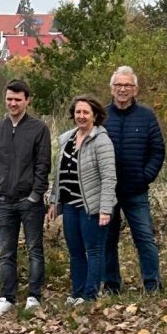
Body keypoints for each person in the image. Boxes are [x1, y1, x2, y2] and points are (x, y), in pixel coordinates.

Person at [0, 79, 52, 316]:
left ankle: (34, 296)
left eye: (17, 99)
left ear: (27, 101)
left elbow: (43, 165)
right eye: (9, 99)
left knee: (34, 248)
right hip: (4, 200)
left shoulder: (39, 129)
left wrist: (35, 195)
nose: (13, 103)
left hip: (29, 200)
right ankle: (7, 297)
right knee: (6, 250)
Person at [48, 95, 116, 306]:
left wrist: (105, 209)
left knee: (94, 251)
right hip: (70, 206)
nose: (81, 116)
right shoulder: (66, 139)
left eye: (86, 112)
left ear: (95, 115)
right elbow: (59, 174)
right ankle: (77, 293)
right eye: (78, 112)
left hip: (92, 207)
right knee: (75, 251)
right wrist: (54, 201)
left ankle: (89, 295)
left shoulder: (101, 141)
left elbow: (109, 177)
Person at [103, 66, 165, 294]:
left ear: (135, 89)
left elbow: (158, 150)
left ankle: (152, 285)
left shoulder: (146, 116)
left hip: (136, 191)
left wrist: (145, 176)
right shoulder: (101, 116)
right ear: (112, 88)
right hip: (108, 192)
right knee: (108, 241)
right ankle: (111, 286)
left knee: (145, 238)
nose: (123, 89)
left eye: (127, 85)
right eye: (118, 85)